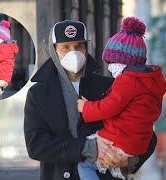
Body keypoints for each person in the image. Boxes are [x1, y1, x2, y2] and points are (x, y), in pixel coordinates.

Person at [24, 20, 157, 180]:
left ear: (86, 48)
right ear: (54, 50)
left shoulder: (112, 86)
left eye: (79, 46)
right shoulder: (38, 94)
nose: (73, 52)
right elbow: (36, 145)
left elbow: (144, 130)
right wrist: (88, 147)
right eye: (65, 47)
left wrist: (128, 160)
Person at [76, 17, 166, 180]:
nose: (110, 67)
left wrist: (86, 107)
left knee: (84, 163)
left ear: (124, 61)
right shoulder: (152, 82)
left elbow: (109, 107)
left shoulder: (127, 81)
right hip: (138, 145)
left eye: (112, 61)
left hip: (119, 141)